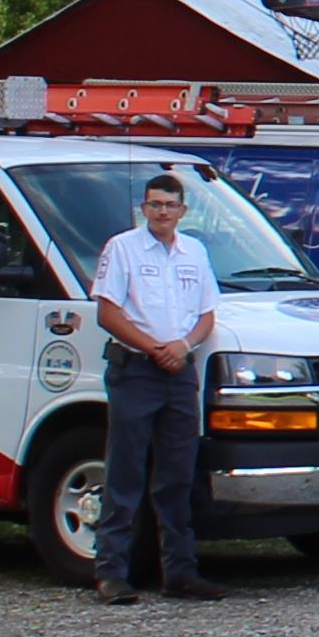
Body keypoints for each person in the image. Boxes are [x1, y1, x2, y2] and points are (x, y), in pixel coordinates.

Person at [88, 170, 225, 604]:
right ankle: (111, 573)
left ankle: (180, 573)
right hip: (136, 371)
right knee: (125, 473)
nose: (161, 212)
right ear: (142, 209)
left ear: (182, 211)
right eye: (153, 205)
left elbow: (207, 315)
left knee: (177, 476)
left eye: (169, 205)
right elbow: (108, 313)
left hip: (180, 373)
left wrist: (182, 347)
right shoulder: (122, 248)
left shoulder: (194, 252)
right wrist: (154, 348)